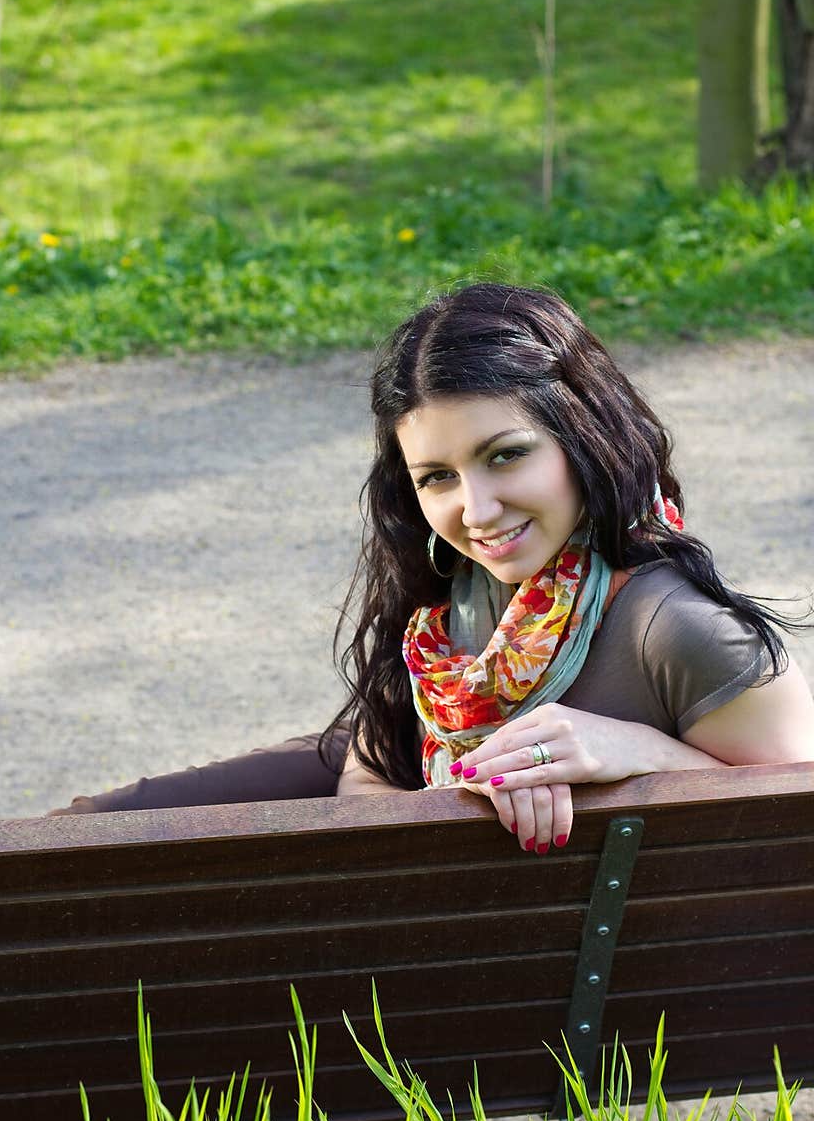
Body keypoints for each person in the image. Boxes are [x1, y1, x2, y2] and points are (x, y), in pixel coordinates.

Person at [53, 282, 814, 850]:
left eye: (506, 456)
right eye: (437, 477)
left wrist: (638, 757)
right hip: (400, 822)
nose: (476, 512)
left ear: (586, 435)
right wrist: (438, 799)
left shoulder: (683, 632)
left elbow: (787, 836)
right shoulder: (447, 587)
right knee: (78, 837)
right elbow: (369, 768)